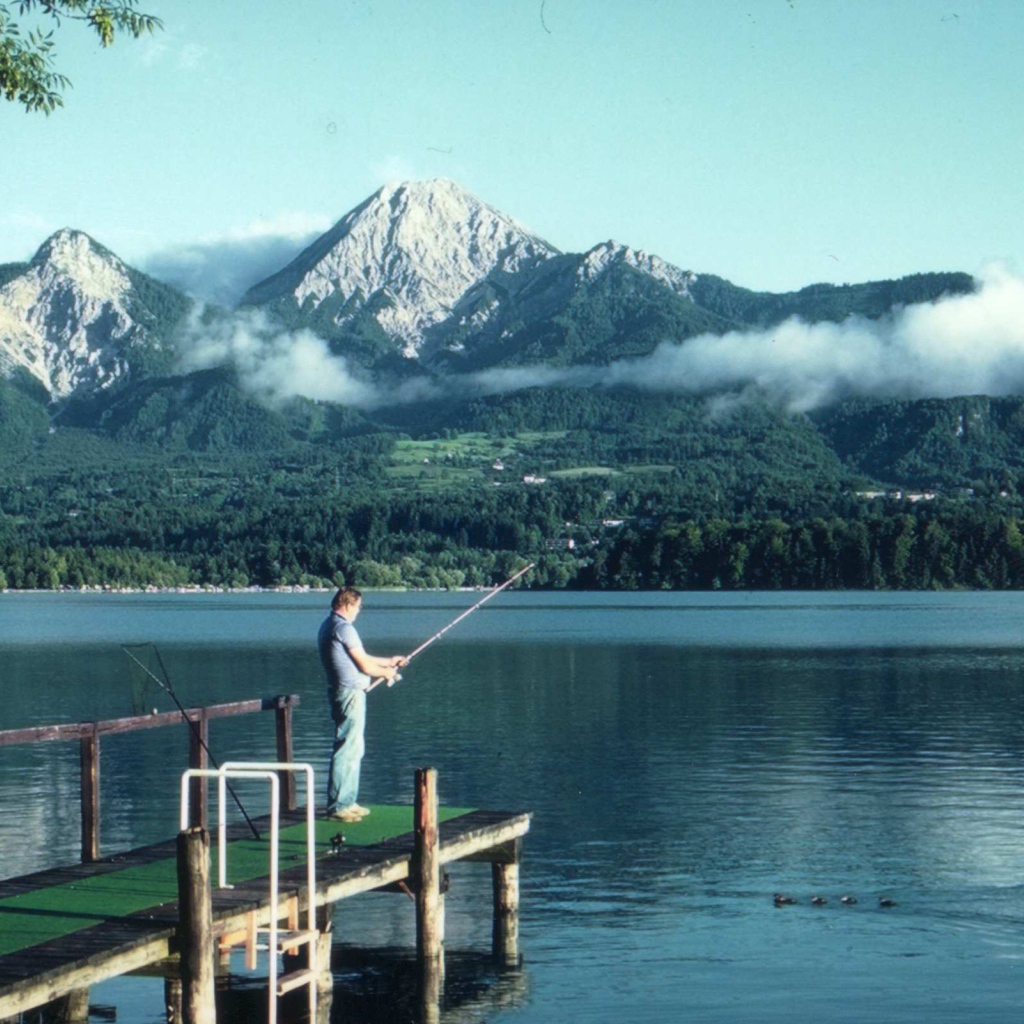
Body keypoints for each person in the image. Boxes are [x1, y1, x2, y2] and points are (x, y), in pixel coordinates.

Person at [318, 587, 406, 822]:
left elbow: (363, 658)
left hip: (345, 692)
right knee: (347, 747)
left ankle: (348, 800)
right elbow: (366, 667)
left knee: (354, 747)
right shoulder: (345, 628)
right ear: (347, 605)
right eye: (358, 606)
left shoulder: (330, 625)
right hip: (349, 694)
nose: (359, 611)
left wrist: (389, 662)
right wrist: (387, 674)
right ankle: (338, 806)